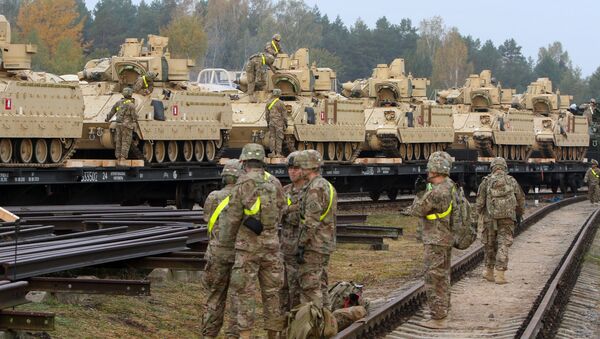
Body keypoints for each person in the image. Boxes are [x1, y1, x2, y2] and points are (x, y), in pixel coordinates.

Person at [218, 143, 286, 339]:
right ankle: (273, 335)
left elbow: (232, 219)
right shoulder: (274, 182)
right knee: (273, 294)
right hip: (272, 247)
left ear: (243, 162)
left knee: (245, 294)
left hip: (247, 249)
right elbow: (282, 207)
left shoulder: (241, 184)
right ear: (263, 161)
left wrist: (225, 246)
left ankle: (245, 336)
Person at [405, 153, 454, 328]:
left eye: (429, 169)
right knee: (444, 275)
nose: (427, 172)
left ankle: (438, 317)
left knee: (434, 277)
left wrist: (419, 193)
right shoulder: (450, 186)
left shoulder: (436, 192)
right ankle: (444, 307)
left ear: (436, 170)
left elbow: (417, 210)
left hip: (435, 239)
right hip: (446, 237)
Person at [201, 160, 242, 339]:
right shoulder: (244, 197)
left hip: (216, 253)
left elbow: (207, 219)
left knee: (214, 298)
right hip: (238, 255)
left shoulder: (213, 197)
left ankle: (208, 334)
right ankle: (233, 335)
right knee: (236, 300)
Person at [295, 149, 337, 309]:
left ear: (308, 167)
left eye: (301, 166)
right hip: (325, 244)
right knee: (322, 285)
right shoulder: (327, 186)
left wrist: (301, 244)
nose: (299, 170)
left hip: (314, 246)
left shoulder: (314, 189)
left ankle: (315, 325)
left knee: (310, 289)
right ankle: (327, 323)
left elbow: (310, 222)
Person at [475, 157, 525, 285]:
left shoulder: (486, 181)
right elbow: (520, 199)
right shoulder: (511, 181)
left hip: (489, 218)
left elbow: (480, 203)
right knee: (503, 244)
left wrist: (477, 216)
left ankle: (489, 272)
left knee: (489, 245)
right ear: (504, 168)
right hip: (507, 218)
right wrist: (519, 214)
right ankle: (500, 275)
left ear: (492, 168)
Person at [279, 151, 305, 312]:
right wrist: (291, 210)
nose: (292, 171)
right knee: (283, 287)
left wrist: (286, 211)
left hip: (303, 248)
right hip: (285, 248)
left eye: (296, 168)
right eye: (290, 168)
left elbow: (300, 217)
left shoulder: (310, 191)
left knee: (299, 289)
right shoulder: (285, 190)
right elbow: (275, 213)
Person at [105, 87, 137, 163]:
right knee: (126, 141)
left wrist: (107, 119)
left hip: (118, 124)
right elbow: (134, 116)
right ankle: (123, 157)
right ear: (130, 94)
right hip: (127, 125)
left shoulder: (118, 103)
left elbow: (112, 112)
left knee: (118, 140)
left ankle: (118, 156)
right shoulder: (131, 105)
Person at [265, 88, 287, 158]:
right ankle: (278, 153)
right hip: (279, 123)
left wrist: (268, 122)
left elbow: (267, 114)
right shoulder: (281, 103)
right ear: (279, 94)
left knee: (272, 137)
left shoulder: (268, 103)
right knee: (279, 137)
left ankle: (272, 152)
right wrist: (285, 123)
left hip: (271, 122)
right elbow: (284, 115)